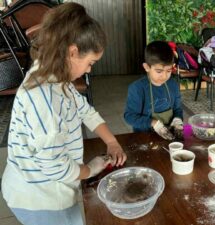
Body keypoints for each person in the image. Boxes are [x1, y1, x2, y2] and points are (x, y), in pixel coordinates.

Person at [1, 3, 127, 225]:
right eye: (90, 63)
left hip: (51, 186)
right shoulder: (44, 100)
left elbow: (85, 111)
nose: (89, 70)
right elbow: (55, 166)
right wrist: (90, 169)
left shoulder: (56, 77)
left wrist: (112, 142)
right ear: (72, 52)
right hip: (37, 197)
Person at [124, 41, 183, 140]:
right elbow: (129, 116)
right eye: (159, 71)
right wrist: (153, 123)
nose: (164, 76)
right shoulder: (137, 89)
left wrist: (178, 120)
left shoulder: (173, 85)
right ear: (147, 67)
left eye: (168, 71)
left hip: (169, 135)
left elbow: (177, 109)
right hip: (144, 137)